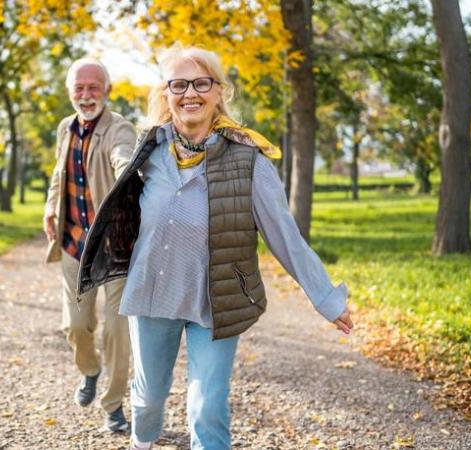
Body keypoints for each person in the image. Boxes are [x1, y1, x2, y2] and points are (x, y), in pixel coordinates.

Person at [77, 46, 354, 450]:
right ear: (166, 94)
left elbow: (285, 235)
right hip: (153, 292)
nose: (190, 93)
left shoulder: (249, 161)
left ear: (219, 92)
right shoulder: (149, 151)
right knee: (149, 397)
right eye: (179, 84)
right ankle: (143, 440)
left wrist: (326, 298)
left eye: (201, 83)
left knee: (208, 405)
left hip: (216, 300)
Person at [44, 57, 137, 432]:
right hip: (73, 244)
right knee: (76, 326)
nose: (86, 95)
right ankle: (90, 370)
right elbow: (58, 174)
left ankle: (113, 405)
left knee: (117, 332)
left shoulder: (120, 128)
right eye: (79, 88)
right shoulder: (65, 128)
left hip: (114, 249)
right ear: (70, 92)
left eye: (93, 87)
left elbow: (122, 156)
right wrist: (50, 207)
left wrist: (127, 173)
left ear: (107, 90)